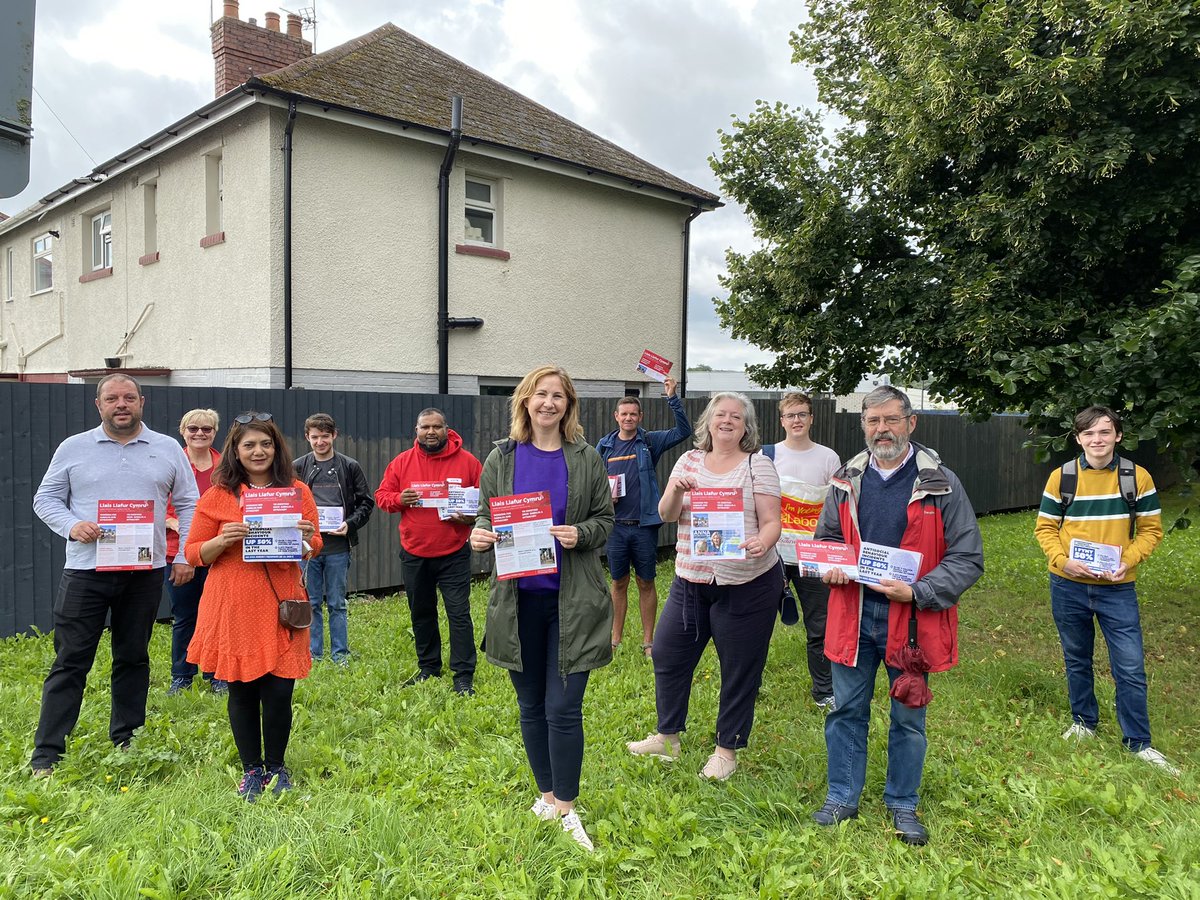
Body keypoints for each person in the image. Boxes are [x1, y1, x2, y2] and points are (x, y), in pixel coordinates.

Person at [811, 386, 983, 846]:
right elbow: (827, 537)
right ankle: (842, 795)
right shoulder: (846, 478)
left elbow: (968, 557)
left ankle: (902, 803)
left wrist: (919, 590)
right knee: (846, 710)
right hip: (854, 615)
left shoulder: (940, 482)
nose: (881, 429)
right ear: (863, 425)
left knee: (909, 716)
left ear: (911, 423)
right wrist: (830, 564)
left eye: (891, 419)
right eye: (872, 421)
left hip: (910, 623)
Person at [470, 366, 614, 852]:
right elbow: (487, 513)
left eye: (559, 396)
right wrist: (480, 533)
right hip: (517, 603)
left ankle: (569, 810)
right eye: (540, 394)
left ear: (569, 405)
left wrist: (582, 534)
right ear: (525, 401)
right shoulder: (502, 457)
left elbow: (605, 519)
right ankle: (547, 797)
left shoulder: (587, 457)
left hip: (572, 604)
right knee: (530, 705)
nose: (549, 403)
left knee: (562, 707)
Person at [29, 374, 199, 776]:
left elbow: (191, 503)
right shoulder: (73, 448)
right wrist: (72, 524)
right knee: (70, 660)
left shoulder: (167, 448)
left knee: (133, 657)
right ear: (98, 405)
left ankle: (127, 741)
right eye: (112, 398)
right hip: (86, 571)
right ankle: (47, 755)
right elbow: (45, 498)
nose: (121, 404)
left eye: (128, 397)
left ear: (142, 401)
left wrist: (185, 555)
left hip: (144, 572)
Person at [627, 392, 783, 782]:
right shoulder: (689, 460)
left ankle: (725, 750)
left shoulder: (757, 466)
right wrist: (677, 489)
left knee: (739, 668)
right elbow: (665, 514)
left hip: (747, 582)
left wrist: (763, 541)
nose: (727, 421)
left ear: (746, 426)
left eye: (736, 416)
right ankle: (667, 737)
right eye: (720, 415)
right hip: (691, 579)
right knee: (667, 653)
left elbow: (772, 521)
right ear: (708, 422)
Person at [185, 412, 322, 801]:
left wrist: (308, 537)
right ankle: (251, 770)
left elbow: (315, 548)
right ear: (236, 451)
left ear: (276, 448)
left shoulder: (297, 492)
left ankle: (276, 767)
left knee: (279, 692)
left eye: (266, 444)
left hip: (281, 603)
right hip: (233, 606)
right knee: (242, 693)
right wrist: (223, 540)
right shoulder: (217, 496)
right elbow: (194, 553)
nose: (258, 451)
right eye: (249, 445)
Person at [1033, 406, 1177, 775]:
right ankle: (1084, 723)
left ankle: (1139, 743)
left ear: (1118, 436)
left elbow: (1150, 530)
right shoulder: (1062, 478)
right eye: (1089, 433)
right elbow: (1045, 528)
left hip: (1117, 587)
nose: (1097, 439)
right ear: (1078, 439)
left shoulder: (1136, 477)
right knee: (1077, 657)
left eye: (1105, 432)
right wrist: (1063, 561)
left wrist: (1127, 561)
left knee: (1129, 665)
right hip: (1068, 585)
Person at [375, 408, 482, 694]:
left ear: (447, 430)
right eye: (425, 427)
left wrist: (471, 517)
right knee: (421, 612)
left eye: (436, 427)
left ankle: (463, 675)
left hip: (454, 551)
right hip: (414, 551)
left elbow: (484, 500)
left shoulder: (468, 462)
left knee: (458, 613)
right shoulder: (401, 462)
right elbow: (382, 498)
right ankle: (429, 668)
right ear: (416, 430)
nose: (431, 432)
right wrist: (400, 498)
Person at [596, 378, 692, 656]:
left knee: (646, 582)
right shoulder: (604, 447)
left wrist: (672, 396)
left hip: (644, 526)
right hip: (615, 526)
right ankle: (615, 640)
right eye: (624, 414)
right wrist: (605, 496)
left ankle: (648, 642)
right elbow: (595, 483)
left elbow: (683, 431)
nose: (628, 418)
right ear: (617, 417)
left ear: (640, 417)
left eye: (633, 414)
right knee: (618, 583)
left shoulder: (650, 441)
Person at [766, 391, 841, 710]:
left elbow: (836, 511)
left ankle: (824, 691)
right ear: (781, 420)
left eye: (802, 414)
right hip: (772, 556)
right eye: (790, 415)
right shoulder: (766, 456)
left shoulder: (828, 458)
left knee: (820, 626)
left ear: (811, 418)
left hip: (814, 556)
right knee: (756, 627)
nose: (796, 420)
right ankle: (747, 687)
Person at [294, 413, 375, 665]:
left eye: (325, 436)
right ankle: (314, 654)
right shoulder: (298, 467)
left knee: (338, 603)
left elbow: (366, 502)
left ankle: (340, 654)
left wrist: (349, 525)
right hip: (307, 548)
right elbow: (288, 501)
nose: (320, 442)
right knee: (312, 601)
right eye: (315, 437)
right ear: (307, 437)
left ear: (334, 436)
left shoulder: (349, 466)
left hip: (338, 546)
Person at [165, 408, 228, 695]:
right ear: (183, 430)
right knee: (186, 616)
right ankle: (182, 675)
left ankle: (217, 675)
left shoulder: (225, 466)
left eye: (206, 429)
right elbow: (155, 503)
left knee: (217, 615)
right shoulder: (171, 462)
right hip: (179, 552)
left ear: (215, 432)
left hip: (221, 553)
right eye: (193, 428)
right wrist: (175, 523)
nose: (199, 433)